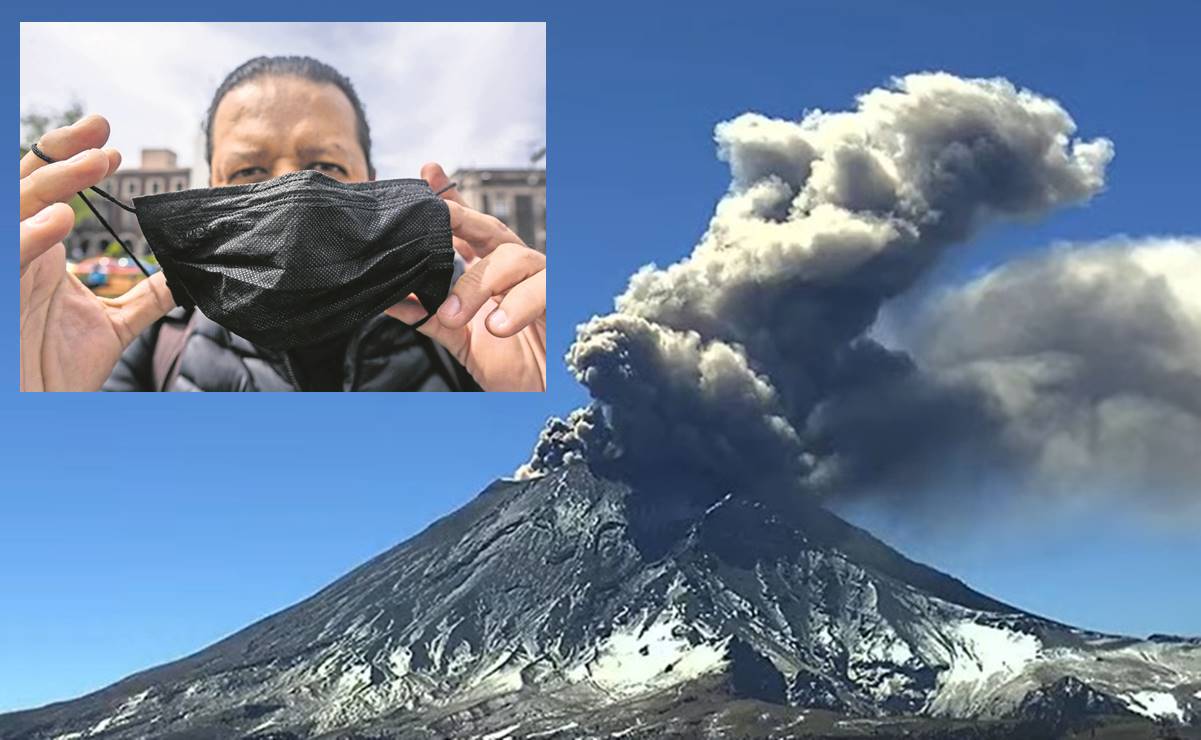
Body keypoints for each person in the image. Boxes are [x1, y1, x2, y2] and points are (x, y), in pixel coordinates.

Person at [18, 56, 546, 392]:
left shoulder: (476, 325)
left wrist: (540, 382)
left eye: (328, 169)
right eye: (249, 171)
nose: (292, 196)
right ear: (210, 189)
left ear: (374, 185)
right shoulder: (137, 356)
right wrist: (36, 393)